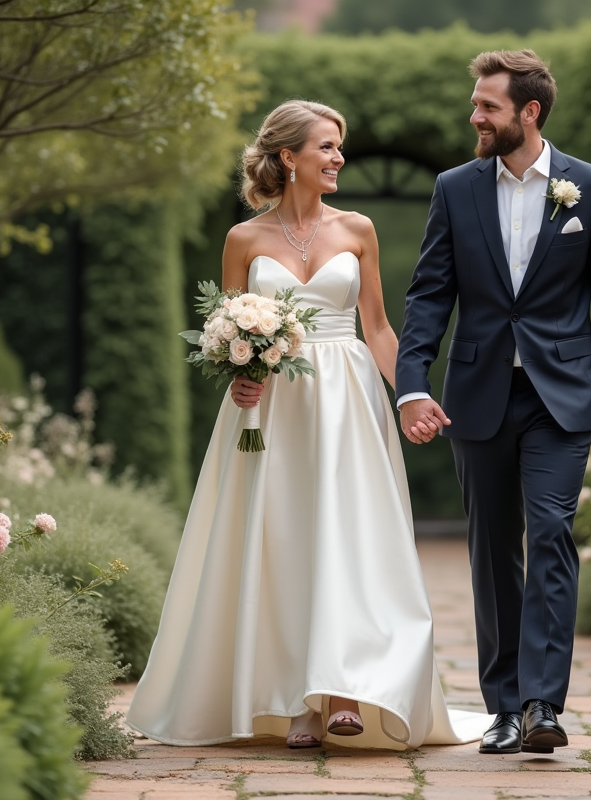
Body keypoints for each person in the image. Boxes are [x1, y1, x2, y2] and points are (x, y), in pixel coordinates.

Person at [126, 99, 489, 750]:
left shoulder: (358, 229)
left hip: (348, 403)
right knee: (281, 540)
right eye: (326, 146)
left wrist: (411, 395)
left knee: (347, 536)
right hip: (269, 408)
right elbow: (226, 330)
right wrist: (237, 374)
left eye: (339, 146)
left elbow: (377, 327)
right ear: (287, 156)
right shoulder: (243, 240)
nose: (338, 157)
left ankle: (344, 689)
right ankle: (296, 702)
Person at [395, 50, 591, 756]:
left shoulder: (589, 187)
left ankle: (541, 706)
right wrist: (412, 383)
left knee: (552, 533)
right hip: (479, 394)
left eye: (488, 106)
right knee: (493, 550)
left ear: (529, 112)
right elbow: (429, 293)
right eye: (476, 104)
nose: (475, 116)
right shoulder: (455, 188)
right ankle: (502, 707)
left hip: (562, 398)